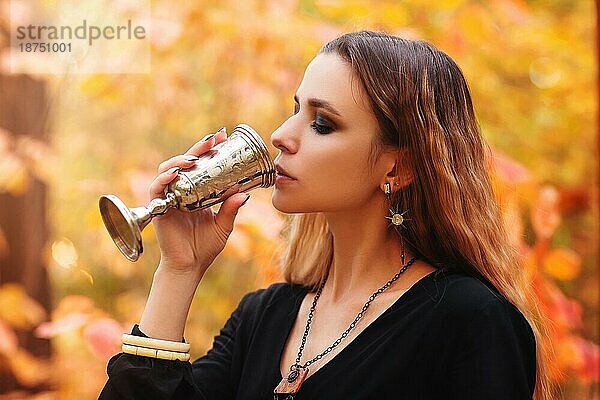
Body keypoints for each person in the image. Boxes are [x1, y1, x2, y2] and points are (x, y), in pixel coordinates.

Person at [99, 30, 551, 400]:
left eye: (322, 123)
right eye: (297, 109)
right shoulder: (262, 317)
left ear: (399, 166)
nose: (280, 135)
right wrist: (180, 269)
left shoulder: (471, 322)